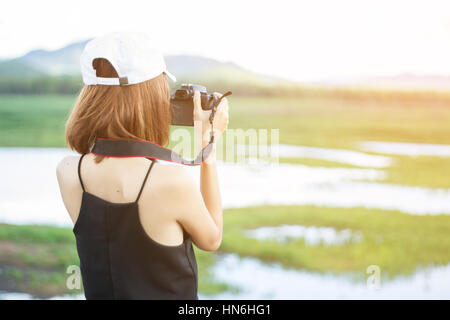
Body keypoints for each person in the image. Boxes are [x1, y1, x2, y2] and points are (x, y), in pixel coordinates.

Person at [56, 32, 229, 300]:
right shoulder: (170, 181)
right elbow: (212, 239)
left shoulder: (69, 172)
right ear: (151, 98)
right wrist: (210, 147)